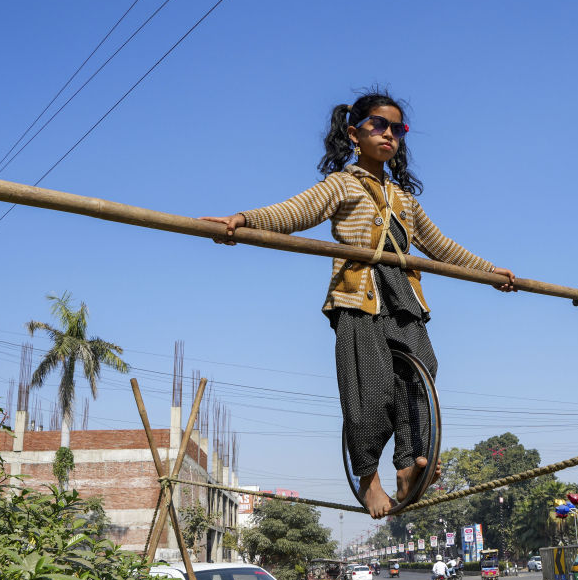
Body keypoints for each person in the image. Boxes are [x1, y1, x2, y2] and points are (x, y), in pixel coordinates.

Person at [202, 91, 515, 518]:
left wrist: (489, 273)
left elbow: (440, 246)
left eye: (397, 129)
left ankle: (409, 462)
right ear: (354, 133)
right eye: (378, 125)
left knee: (422, 373)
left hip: (403, 295)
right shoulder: (342, 185)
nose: (389, 134)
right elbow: (295, 212)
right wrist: (243, 220)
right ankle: (369, 479)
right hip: (358, 295)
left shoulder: (404, 199)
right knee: (371, 389)